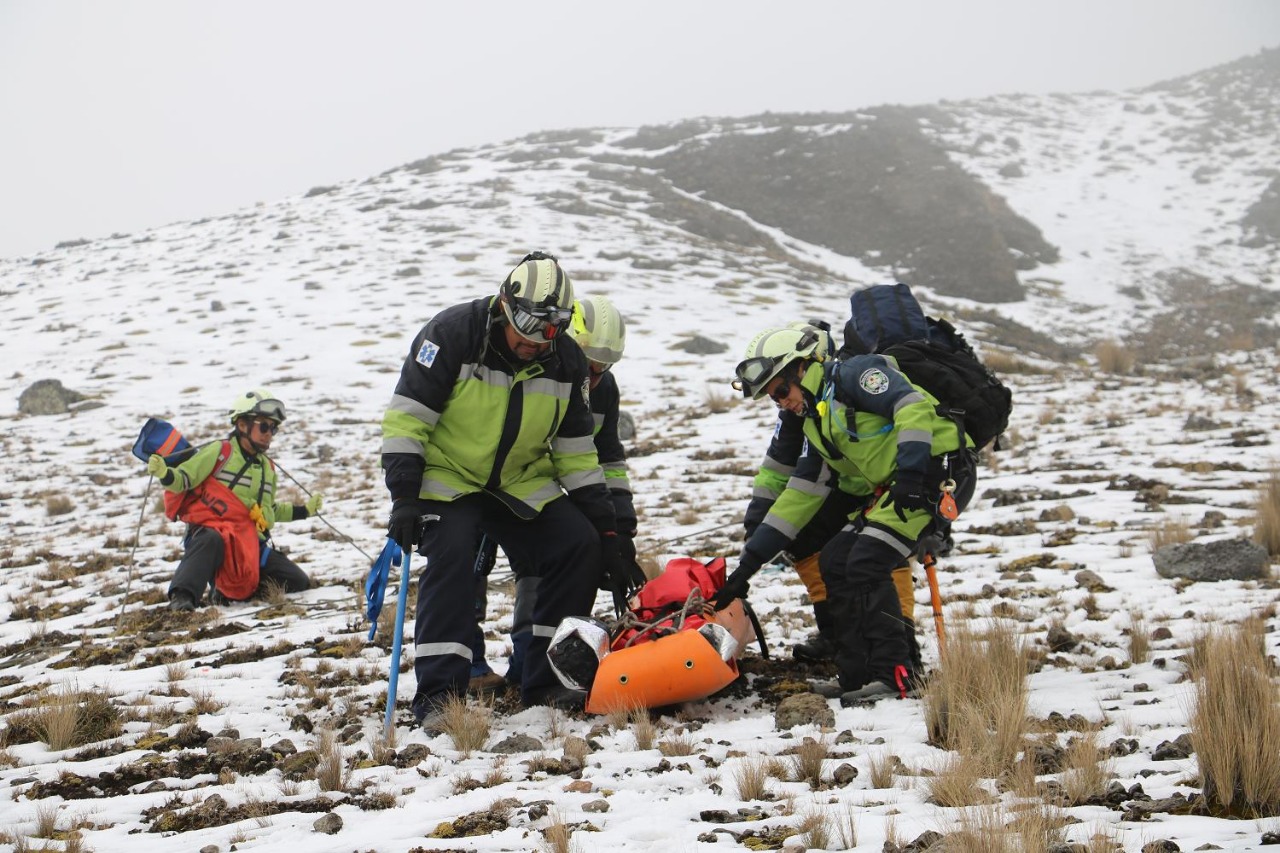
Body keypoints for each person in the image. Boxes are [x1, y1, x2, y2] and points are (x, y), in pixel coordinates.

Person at [381, 252, 645, 731]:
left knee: (578, 545)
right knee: (455, 553)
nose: (535, 339)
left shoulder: (564, 360)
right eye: (527, 323)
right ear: (505, 302)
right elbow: (408, 419)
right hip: (451, 479)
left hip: (520, 483)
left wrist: (609, 534)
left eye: (551, 329)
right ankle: (442, 695)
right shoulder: (451, 334)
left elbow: (578, 455)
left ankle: (546, 682)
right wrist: (404, 497)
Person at [717, 326, 976, 705]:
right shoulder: (817, 423)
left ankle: (897, 675)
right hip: (898, 487)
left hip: (938, 474)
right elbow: (799, 496)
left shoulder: (858, 374)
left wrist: (909, 473)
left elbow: (912, 407)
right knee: (836, 559)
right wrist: (747, 567)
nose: (780, 402)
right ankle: (855, 676)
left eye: (780, 391)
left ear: (801, 369)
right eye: (772, 398)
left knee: (867, 561)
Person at [467, 294, 642, 693]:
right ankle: (469, 665)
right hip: (489, 484)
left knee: (545, 567)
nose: (593, 378)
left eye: (603, 370)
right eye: (590, 366)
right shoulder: (540, 368)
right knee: (469, 567)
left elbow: (608, 458)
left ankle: (531, 663)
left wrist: (620, 530)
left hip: (545, 494)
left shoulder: (602, 389)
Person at [146, 389, 319, 611]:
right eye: (263, 426)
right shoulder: (220, 451)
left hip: (249, 543)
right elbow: (183, 480)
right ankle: (182, 597)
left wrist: (304, 511)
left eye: (273, 428)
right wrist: (164, 473)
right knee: (211, 539)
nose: (269, 433)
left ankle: (231, 594)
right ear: (242, 425)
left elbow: (269, 510)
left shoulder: (268, 468)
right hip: (213, 537)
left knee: (298, 581)